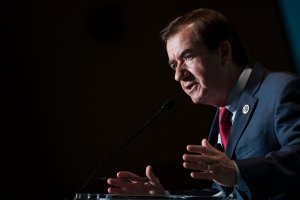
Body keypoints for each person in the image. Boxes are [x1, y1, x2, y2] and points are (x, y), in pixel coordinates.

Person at [106, 8, 300, 199]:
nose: (177, 75)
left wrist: (237, 172)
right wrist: (164, 197)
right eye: (174, 65)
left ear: (224, 52)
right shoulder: (225, 114)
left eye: (188, 57)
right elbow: (226, 194)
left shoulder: (281, 89)